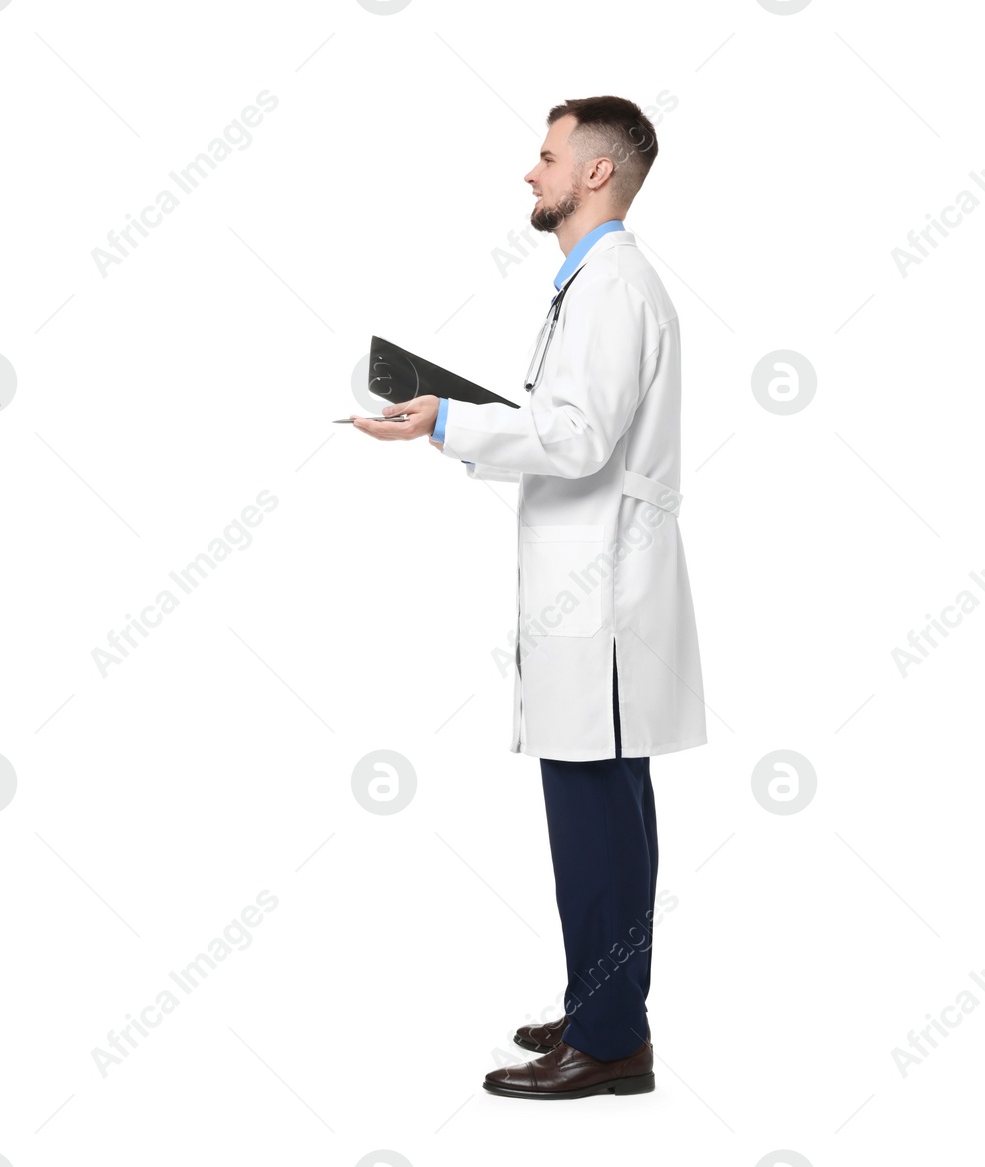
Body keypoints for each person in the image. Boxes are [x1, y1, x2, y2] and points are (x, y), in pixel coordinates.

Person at [351, 96, 705, 1099]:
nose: (529, 172)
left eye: (546, 156)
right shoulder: (598, 285)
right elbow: (569, 426)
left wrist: (444, 423)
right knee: (607, 821)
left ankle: (609, 1038)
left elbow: (579, 439)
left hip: (599, 603)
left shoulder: (609, 287)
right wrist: (460, 421)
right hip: (594, 596)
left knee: (595, 826)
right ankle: (603, 1007)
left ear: (597, 172)